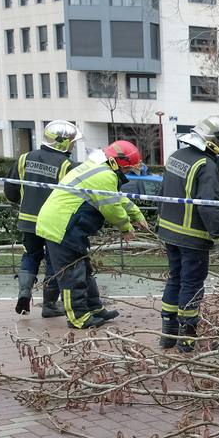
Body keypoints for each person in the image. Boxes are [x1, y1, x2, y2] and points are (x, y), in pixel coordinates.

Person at [35, 141, 148, 330]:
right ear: (120, 163)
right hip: (62, 226)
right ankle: (78, 317)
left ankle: (95, 309)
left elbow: (117, 198)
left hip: (67, 224)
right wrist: (126, 228)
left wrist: (137, 215)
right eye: (128, 168)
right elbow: (111, 208)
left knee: (84, 270)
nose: (128, 172)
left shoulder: (98, 168)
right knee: (72, 274)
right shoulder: (104, 175)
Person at [157, 116, 219, 351]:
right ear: (214, 141)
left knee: (175, 279)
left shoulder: (175, 157)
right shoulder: (206, 165)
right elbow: (207, 205)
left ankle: (168, 334)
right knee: (191, 284)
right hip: (192, 237)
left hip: (169, 232)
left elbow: (162, 193)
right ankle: (187, 337)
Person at [3, 120, 76, 317]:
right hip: (53, 223)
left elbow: (10, 190)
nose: (73, 145)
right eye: (71, 142)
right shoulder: (66, 165)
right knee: (54, 261)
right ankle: (50, 305)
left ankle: (24, 293)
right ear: (62, 143)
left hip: (27, 220)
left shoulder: (24, 158)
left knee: (30, 255)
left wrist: (22, 201)